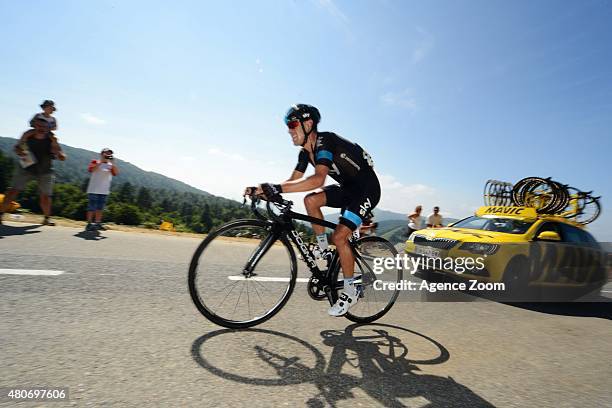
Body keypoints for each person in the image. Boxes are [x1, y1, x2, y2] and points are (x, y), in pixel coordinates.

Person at [246, 104, 381, 317]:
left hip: (366, 189)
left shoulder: (324, 141)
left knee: (339, 237)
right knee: (311, 200)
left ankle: (351, 288)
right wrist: (266, 190)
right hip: (347, 188)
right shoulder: (304, 153)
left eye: (292, 124)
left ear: (308, 124)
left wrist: (277, 188)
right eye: (287, 126)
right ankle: (322, 248)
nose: (289, 130)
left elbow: (318, 178)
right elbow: (294, 180)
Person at [0, 118, 66, 225]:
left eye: (44, 127)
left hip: (45, 170)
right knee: (13, 191)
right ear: (34, 126)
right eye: (39, 126)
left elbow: (62, 156)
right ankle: (0, 214)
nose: (41, 129)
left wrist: (59, 154)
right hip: (26, 168)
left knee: (45, 196)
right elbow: (17, 148)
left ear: (48, 129)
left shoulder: (51, 139)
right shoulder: (27, 135)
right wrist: (20, 150)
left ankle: (47, 218)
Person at [85, 148, 119, 231]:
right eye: (106, 153)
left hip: (104, 190)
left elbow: (116, 173)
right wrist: (101, 161)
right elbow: (91, 169)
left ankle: (98, 223)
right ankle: (89, 224)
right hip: (93, 189)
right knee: (91, 207)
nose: (108, 155)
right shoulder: (95, 162)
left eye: (109, 154)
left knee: (100, 208)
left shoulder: (110, 165)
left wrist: (112, 163)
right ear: (101, 154)